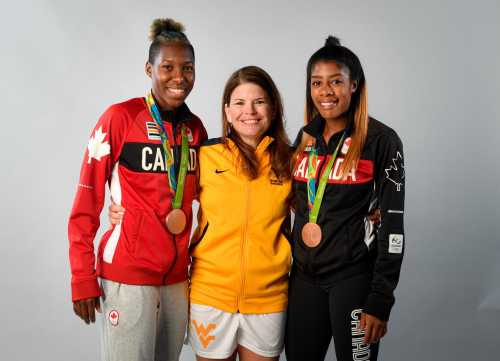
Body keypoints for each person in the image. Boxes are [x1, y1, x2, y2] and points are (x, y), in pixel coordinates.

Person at [68, 18, 207, 361]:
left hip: (177, 279)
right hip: (128, 277)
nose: (179, 77)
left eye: (187, 68)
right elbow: (86, 202)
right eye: (168, 67)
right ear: (149, 68)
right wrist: (82, 277)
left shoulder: (196, 130)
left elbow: (208, 200)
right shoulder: (119, 118)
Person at [284, 36, 405, 361]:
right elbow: (295, 204)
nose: (326, 92)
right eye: (317, 83)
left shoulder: (380, 140)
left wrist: (381, 299)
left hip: (352, 278)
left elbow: (393, 227)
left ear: (354, 85)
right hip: (304, 278)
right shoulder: (305, 139)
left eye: (336, 81)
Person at [187, 66, 293, 361]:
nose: (250, 111)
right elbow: (165, 198)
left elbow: (324, 207)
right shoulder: (205, 156)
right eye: (240, 103)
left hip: (268, 298)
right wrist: (122, 210)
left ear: (272, 108)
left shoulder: (290, 160)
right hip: (210, 295)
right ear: (227, 111)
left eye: (259, 102)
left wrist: (369, 212)